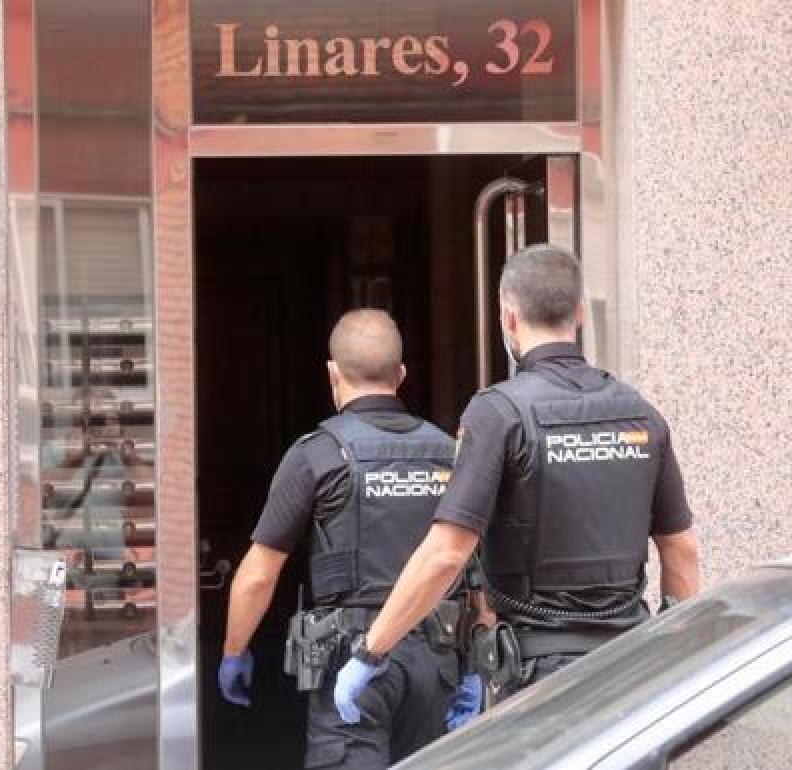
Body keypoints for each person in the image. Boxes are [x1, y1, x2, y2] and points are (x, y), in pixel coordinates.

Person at [332, 244, 701, 720]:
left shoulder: (500, 412)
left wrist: (371, 651)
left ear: (508, 317)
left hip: (540, 678)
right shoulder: (640, 412)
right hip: (630, 666)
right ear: (580, 313)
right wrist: (680, 658)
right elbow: (682, 549)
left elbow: (447, 553)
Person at [219, 308, 472, 770]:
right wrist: (475, 662)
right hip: (435, 659)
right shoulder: (449, 452)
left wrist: (234, 652)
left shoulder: (317, 454)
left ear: (332, 373)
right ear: (401, 374)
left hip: (351, 662)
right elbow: (475, 561)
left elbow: (259, 573)